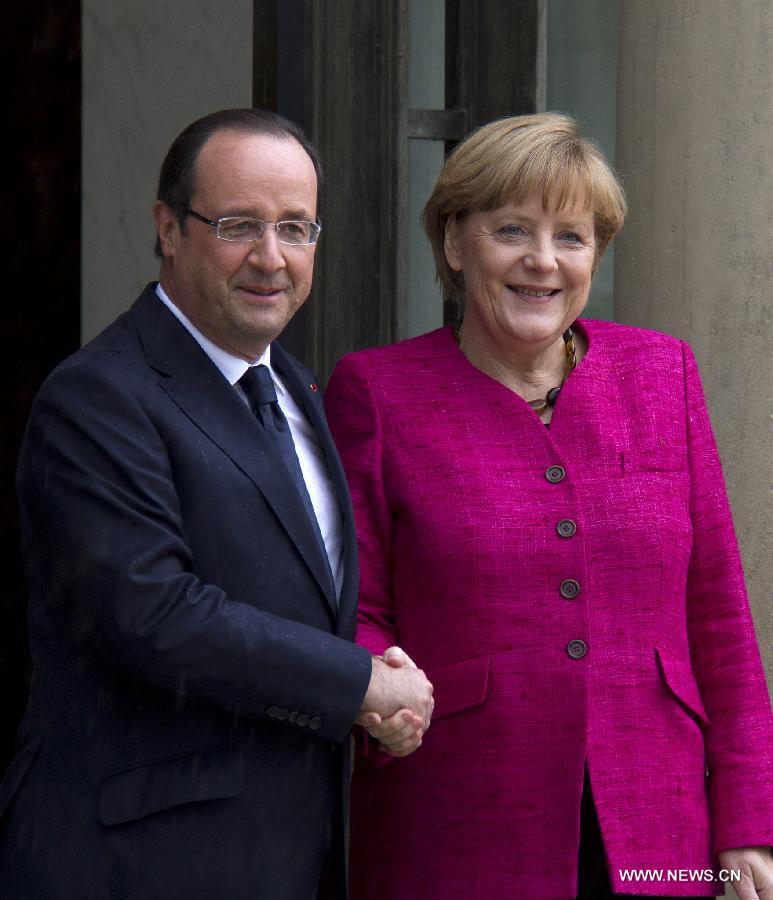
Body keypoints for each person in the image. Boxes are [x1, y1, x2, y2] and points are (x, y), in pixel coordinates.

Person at [325, 113, 773, 899]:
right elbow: (352, 606)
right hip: (459, 817)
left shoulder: (660, 374)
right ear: (454, 243)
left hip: (658, 825)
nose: (542, 261)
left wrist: (746, 824)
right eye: (511, 230)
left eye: (571, 236)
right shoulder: (377, 392)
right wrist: (376, 681)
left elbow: (719, 619)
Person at [0, 108, 432, 900]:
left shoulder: (296, 387)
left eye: (296, 229)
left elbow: (298, 595)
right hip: (143, 860)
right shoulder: (98, 396)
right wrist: (357, 683)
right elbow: (154, 615)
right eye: (239, 224)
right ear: (169, 228)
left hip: (289, 852)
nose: (272, 258)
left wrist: (375, 677)